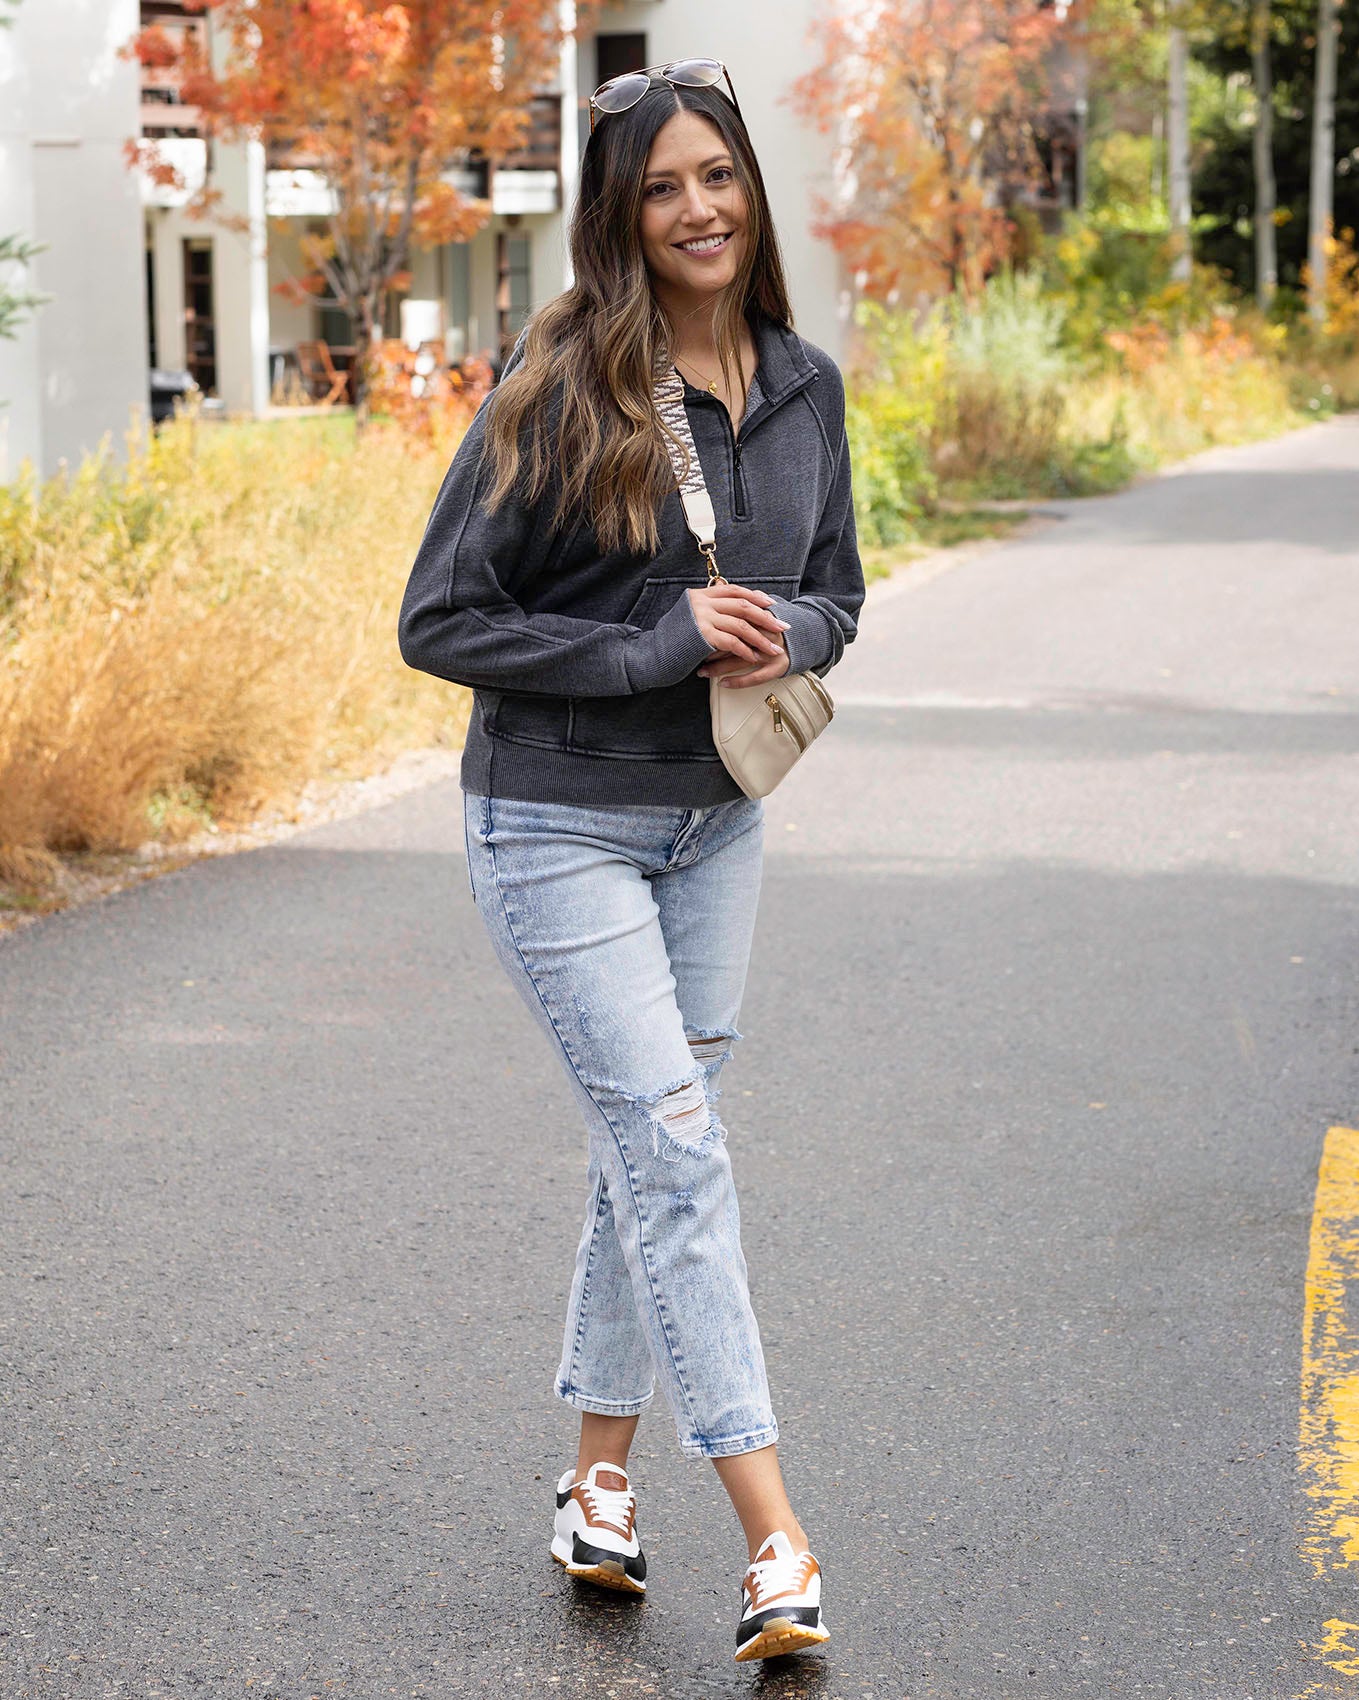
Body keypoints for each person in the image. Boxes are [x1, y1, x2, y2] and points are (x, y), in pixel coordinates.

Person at [398, 56, 863, 1665]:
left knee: (647, 1149)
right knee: (675, 1152)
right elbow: (440, 620)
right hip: (556, 822)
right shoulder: (560, 389)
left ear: (749, 190)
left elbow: (843, 600)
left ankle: (595, 1485)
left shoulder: (804, 384)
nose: (696, 209)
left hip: (717, 819)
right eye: (661, 187)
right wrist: (658, 639)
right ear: (622, 214)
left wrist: (779, 624)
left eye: (715, 177)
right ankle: (774, 1532)